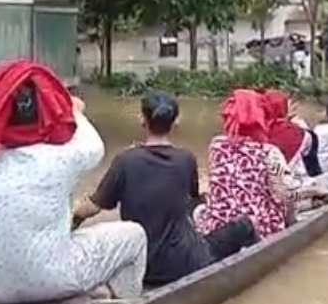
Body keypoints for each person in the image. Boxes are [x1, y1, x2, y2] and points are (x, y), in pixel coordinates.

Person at [0, 60, 147, 304]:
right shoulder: (62, 157)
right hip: (46, 277)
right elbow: (95, 147)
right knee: (135, 235)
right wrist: (75, 110)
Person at [72, 92, 258, 287]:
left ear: (141, 121)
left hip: (142, 266)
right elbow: (194, 199)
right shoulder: (186, 159)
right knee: (244, 226)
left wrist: (71, 220)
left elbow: (92, 207)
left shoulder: (125, 161)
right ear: (175, 123)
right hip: (186, 263)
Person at [195, 89, 328, 239]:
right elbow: (285, 195)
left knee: (199, 211)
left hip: (219, 225)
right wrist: (313, 191)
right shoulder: (269, 152)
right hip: (260, 228)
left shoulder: (216, 145)